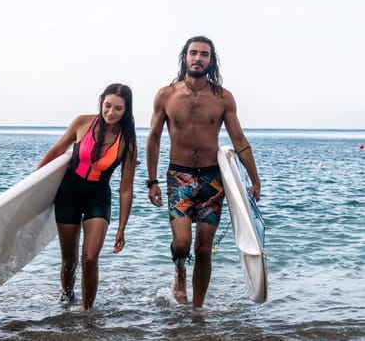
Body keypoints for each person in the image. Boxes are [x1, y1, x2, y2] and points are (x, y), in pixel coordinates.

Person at [146, 36, 261, 307]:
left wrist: (255, 179)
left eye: (204, 54)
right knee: (183, 244)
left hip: (213, 180)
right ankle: (179, 269)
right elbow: (153, 138)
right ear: (184, 57)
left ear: (211, 60)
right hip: (179, 177)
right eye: (193, 53)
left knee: (204, 249)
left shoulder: (223, 98)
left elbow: (239, 141)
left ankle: (197, 310)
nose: (198, 58)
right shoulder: (167, 95)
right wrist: (152, 181)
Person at [38, 83, 137, 310]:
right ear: (102, 102)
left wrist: (122, 227)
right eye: (107, 106)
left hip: (98, 199)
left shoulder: (127, 141)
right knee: (69, 262)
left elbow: (126, 188)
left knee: (90, 259)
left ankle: (87, 313)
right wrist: (30, 187)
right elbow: (55, 152)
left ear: (126, 111)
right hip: (68, 195)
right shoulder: (82, 122)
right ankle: (66, 302)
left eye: (118, 109)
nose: (111, 112)